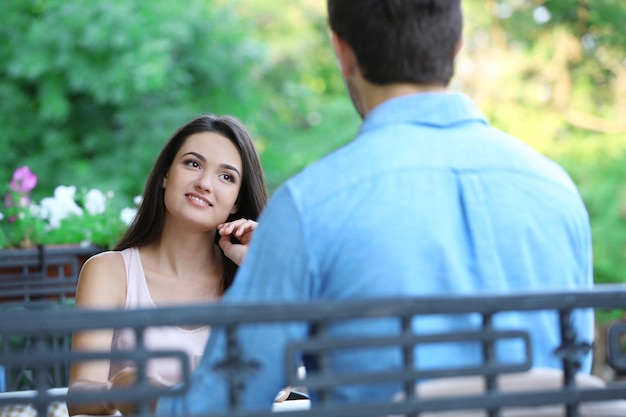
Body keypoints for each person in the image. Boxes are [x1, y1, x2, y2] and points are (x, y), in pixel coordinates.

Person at [156, 0, 594, 414]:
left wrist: (140, 397)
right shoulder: (556, 190)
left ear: (342, 52)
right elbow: (577, 370)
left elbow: (220, 404)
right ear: (456, 47)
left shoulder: (310, 205)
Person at [67, 113, 268, 416]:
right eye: (193, 163)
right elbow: (79, 399)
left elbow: (277, 383)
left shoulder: (247, 279)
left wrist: (258, 268)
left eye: (226, 177)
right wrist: (120, 391)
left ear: (237, 202)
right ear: (165, 175)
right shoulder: (109, 272)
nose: (204, 183)